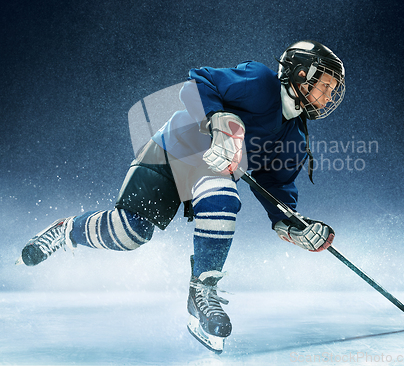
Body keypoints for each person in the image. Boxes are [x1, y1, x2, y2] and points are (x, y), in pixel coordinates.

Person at [16, 40, 346, 353]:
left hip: (209, 170)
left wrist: (295, 225)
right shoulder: (259, 82)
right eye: (325, 84)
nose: (329, 95)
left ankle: (202, 290)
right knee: (129, 233)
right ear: (300, 73)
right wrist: (217, 118)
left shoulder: (296, 139)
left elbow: (276, 188)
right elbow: (198, 83)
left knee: (222, 194)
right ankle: (65, 231)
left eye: (332, 89)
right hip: (171, 151)